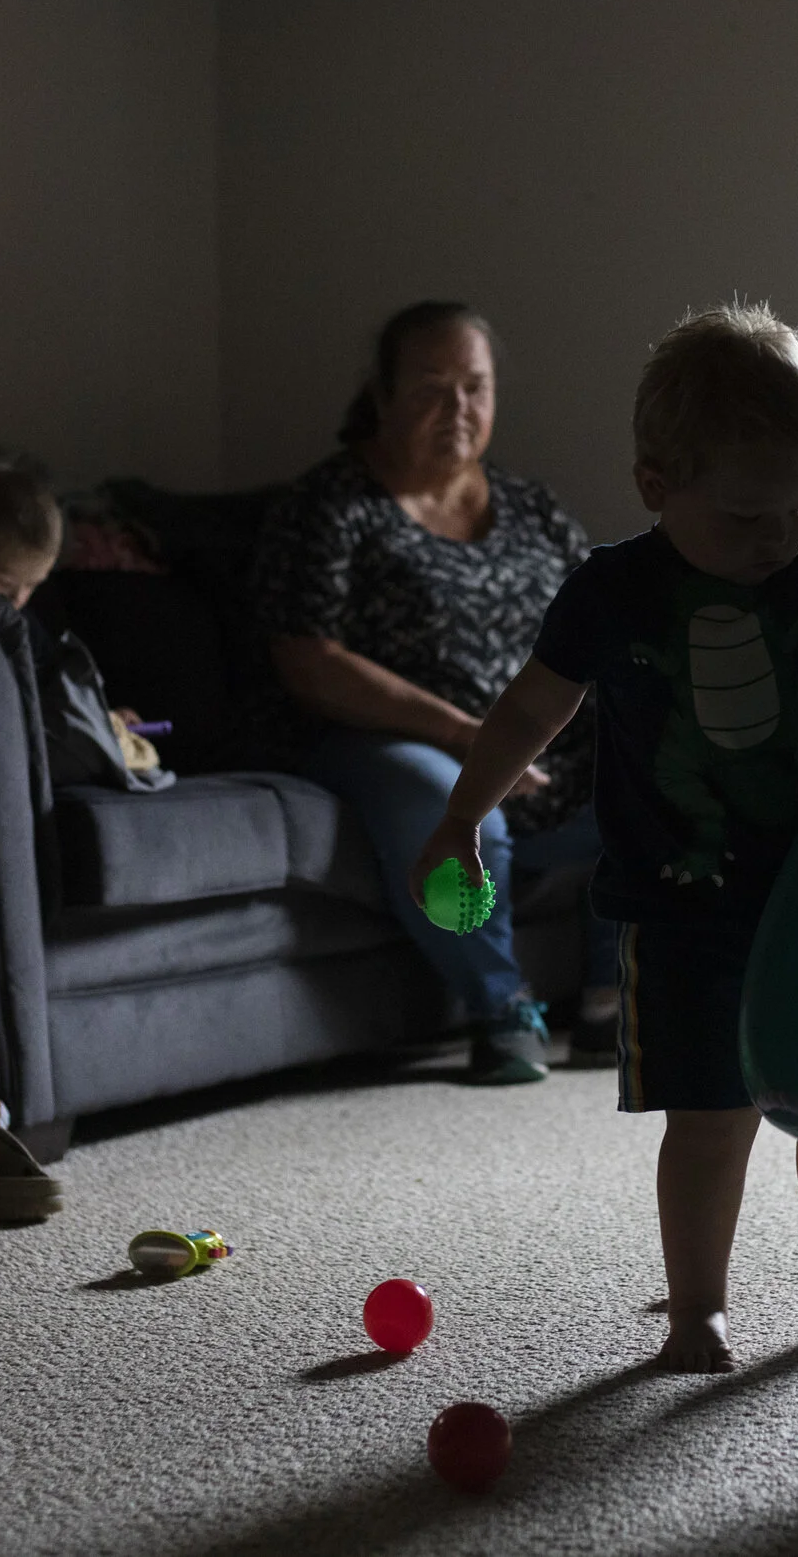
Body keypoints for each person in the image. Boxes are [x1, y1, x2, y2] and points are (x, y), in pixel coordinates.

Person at [414, 303, 798, 1372]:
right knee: (711, 1119)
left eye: (797, 508)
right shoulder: (614, 591)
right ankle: (696, 1306)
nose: (774, 539)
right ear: (658, 484)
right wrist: (459, 813)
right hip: (680, 906)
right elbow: (530, 709)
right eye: (747, 515)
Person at [250, 302, 618, 1086]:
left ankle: (609, 1003)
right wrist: (465, 735)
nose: (459, 410)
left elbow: (607, 623)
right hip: (405, 744)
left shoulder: (531, 508)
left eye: (476, 388)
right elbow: (306, 657)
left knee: (662, 768)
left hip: (545, 750)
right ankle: (501, 1006)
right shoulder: (330, 507)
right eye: (431, 388)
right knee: (442, 790)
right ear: (381, 396)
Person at [0, 469, 169, 793]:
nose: (18, 600)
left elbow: (57, 691)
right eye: (5, 584)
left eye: (33, 586)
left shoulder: (23, 626)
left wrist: (104, 718)